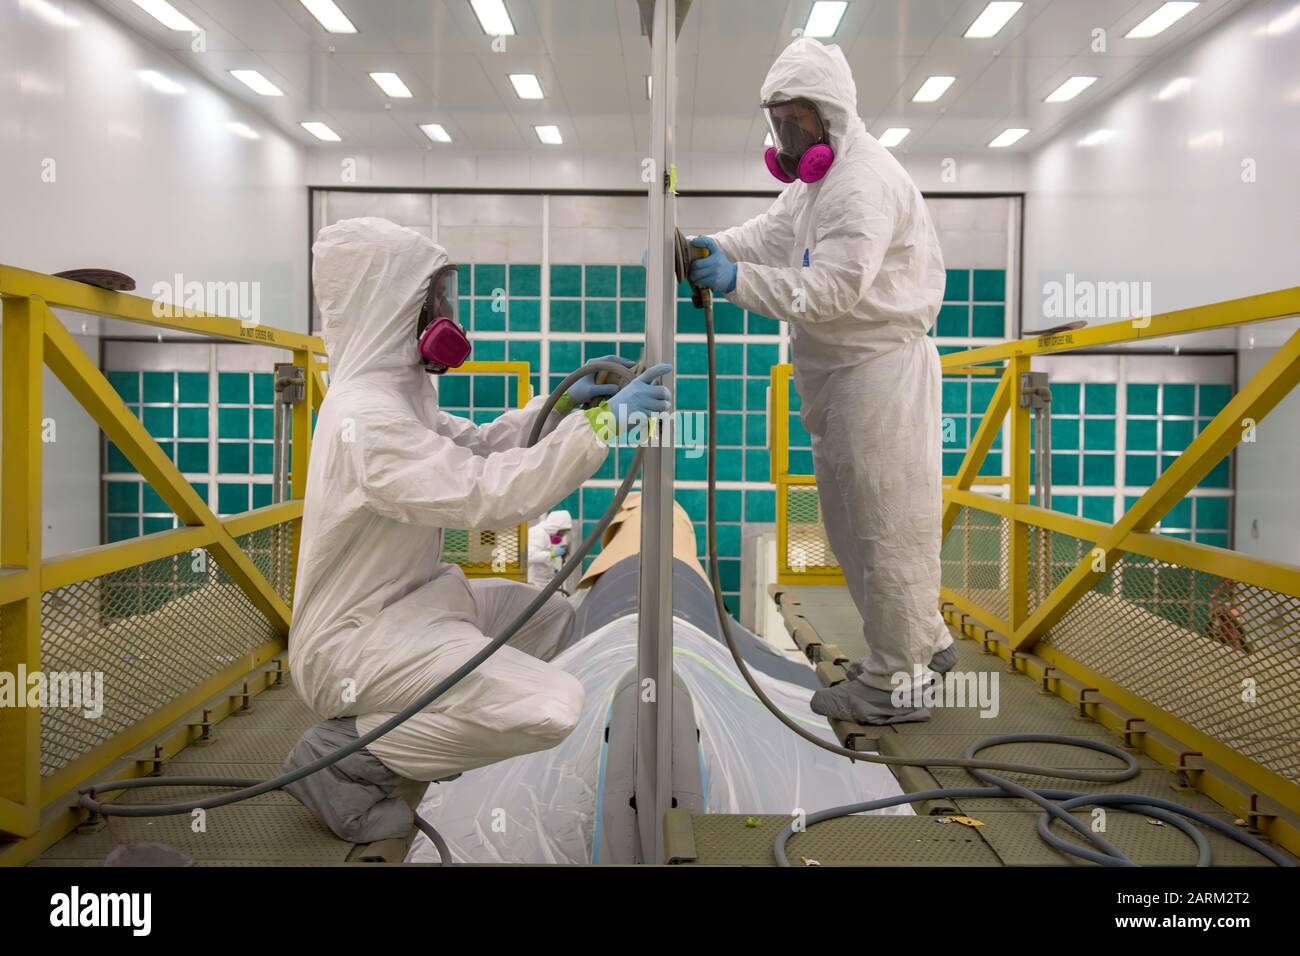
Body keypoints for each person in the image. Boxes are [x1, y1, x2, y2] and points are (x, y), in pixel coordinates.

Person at [282, 217, 672, 842]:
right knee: (550, 707)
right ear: (392, 305)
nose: (451, 318)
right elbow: (488, 493)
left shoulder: (398, 395)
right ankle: (349, 755)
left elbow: (480, 446)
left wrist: (561, 408)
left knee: (550, 620)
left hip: (412, 610)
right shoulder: (368, 418)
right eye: (436, 302)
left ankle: (424, 725)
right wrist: (598, 430)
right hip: (355, 646)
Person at [688, 38, 954, 725]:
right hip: (841, 372)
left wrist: (737, 282)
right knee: (849, 522)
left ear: (830, 115)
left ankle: (898, 681)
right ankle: (924, 644)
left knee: (885, 528)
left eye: (796, 121)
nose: (786, 137)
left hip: (878, 370)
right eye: (777, 122)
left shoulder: (861, 182)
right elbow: (770, 234)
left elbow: (833, 290)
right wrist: (714, 246)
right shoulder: (814, 183)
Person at [527, 510, 574, 591]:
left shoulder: (547, 534)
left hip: (543, 583)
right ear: (555, 527)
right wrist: (552, 554)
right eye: (562, 532)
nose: (562, 535)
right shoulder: (538, 532)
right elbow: (529, 556)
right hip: (534, 583)